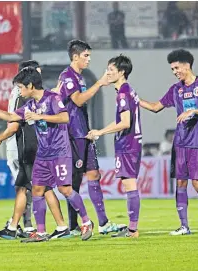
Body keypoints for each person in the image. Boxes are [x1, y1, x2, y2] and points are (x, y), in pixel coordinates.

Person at [0, 67, 95, 242]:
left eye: (21, 88)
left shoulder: (52, 99)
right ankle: (41, 232)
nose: (20, 91)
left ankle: (86, 222)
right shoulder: (30, 105)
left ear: (30, 85)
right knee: (38, 190)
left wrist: (41, 117)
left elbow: (64, 118)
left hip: (60, 152)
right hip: (43, 154)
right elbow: (10, 116)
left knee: (64, 189)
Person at [139, 49, 198, 235]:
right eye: (172, 69)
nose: (175, 72)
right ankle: (184, 226)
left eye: (176, 68)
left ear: (187, 65)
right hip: (180, 143)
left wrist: (195, 111)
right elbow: (155, 107)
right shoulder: (176, 89)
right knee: (181, 183)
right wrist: (136, 99)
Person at [56, 40, 124, 235]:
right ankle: (73, 225)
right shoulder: (67, 76)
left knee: (94, 174)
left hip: (84, 133)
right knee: (73, 180)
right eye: (86, 55)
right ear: (75, 56)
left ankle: (103, 223)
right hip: (72, 134)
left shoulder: (80, 77)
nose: (89, 59)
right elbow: (77, 100)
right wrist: (100, 84)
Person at [87, 55, 141, 238]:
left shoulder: (124, 93)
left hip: (128, 144)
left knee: (130, 184)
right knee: (129, 184)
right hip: (130, 143)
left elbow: (125, 122)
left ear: (121, 72)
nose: (107, 73)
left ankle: (133, 230)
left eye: (111, 70)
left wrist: (100, 132)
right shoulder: (126, 91)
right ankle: (132, 228)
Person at [0, 60, 44, 239]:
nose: (39, 74)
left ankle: (26, 226)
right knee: (27, 186)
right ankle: (26, 225)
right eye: (36, 71)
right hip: (20, 146)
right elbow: (14, 122)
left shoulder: (29, 93)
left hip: (28, 146)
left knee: (29, 187)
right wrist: (3, 136)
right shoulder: (21, 93)